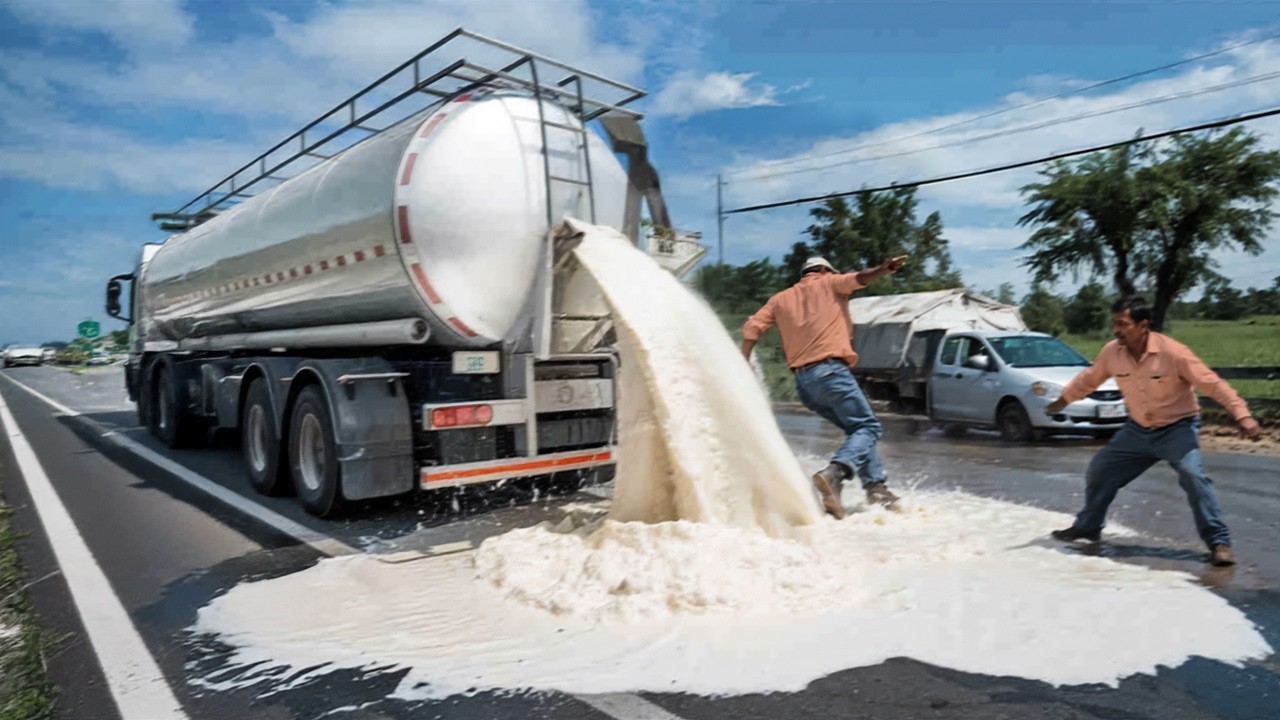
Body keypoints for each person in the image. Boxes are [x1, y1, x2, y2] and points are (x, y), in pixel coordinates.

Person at [1044, 296, 1262, 566]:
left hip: (1177, 428)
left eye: (1122, 324)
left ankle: (1219, 542)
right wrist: (1063, 401)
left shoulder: (1173, 353)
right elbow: (1089, 379)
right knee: (1100, 470)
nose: (1116, 330)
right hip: (1137, 430)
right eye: (1114, 323)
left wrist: (1242, 414)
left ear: (1143, 325)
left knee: (1193, 477)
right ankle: (1088, 527)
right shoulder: (1112, 352)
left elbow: (1211, 383)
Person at [741, 255, 907, 519]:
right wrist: (883, 269)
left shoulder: (779, 299)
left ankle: (876, 488)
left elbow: (750, 329)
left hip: (804, 384)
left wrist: (745, 361)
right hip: (831, 371)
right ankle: (836, 473)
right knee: (868, 427)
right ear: (823, 270)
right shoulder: (830, 282)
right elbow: (861, 278)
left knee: (858, 431)